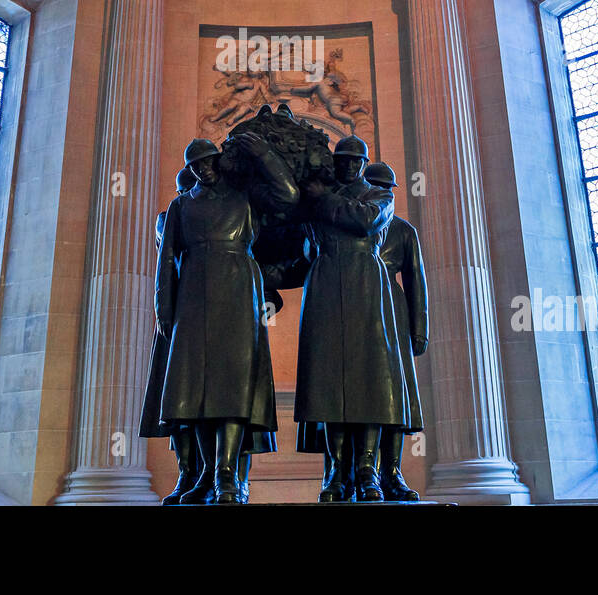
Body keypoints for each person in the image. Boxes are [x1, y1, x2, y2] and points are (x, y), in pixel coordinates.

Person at [156, 134, 298, 503]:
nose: (203, 169)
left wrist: (263, 152)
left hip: (239, 289)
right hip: (194, 294)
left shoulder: (244, 194)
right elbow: (167, 259)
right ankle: (206, 472)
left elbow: (287, 196)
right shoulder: (181, 206)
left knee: (233, 386)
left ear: (218, 161)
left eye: (207, 162)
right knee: (195, 390)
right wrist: (164, 309)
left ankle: (226, 475)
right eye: (195, 165)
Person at [296, 135, 414, 502]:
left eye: (355, 160)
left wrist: (323, 199)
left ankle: (368, 470)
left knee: (371, 380)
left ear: (364, 163)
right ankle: (335, 471)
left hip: (367, 282)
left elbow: (364, 220)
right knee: (328, 383)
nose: (348, 166)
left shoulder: (380, 196)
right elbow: (302, 242)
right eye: (343, 160)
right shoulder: (316, 196)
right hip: (326, 280)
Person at [364, 161, 428, 501]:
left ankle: (391, 473)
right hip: (361, 318)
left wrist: (420, 330)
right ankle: (365, 473)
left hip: (394, 318)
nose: (383, 194)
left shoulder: (403, 231)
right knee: (366, 400)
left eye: (387, 189)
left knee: (396, 403)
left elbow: (416, 283)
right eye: (377, 187)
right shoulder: (357, 227)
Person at [139, 167, 199, 504]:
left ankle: (209, 476)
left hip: (210, 318)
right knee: (178, 406)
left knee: (211, 405)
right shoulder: (170, 217)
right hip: (176, 320)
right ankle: (187, 473)